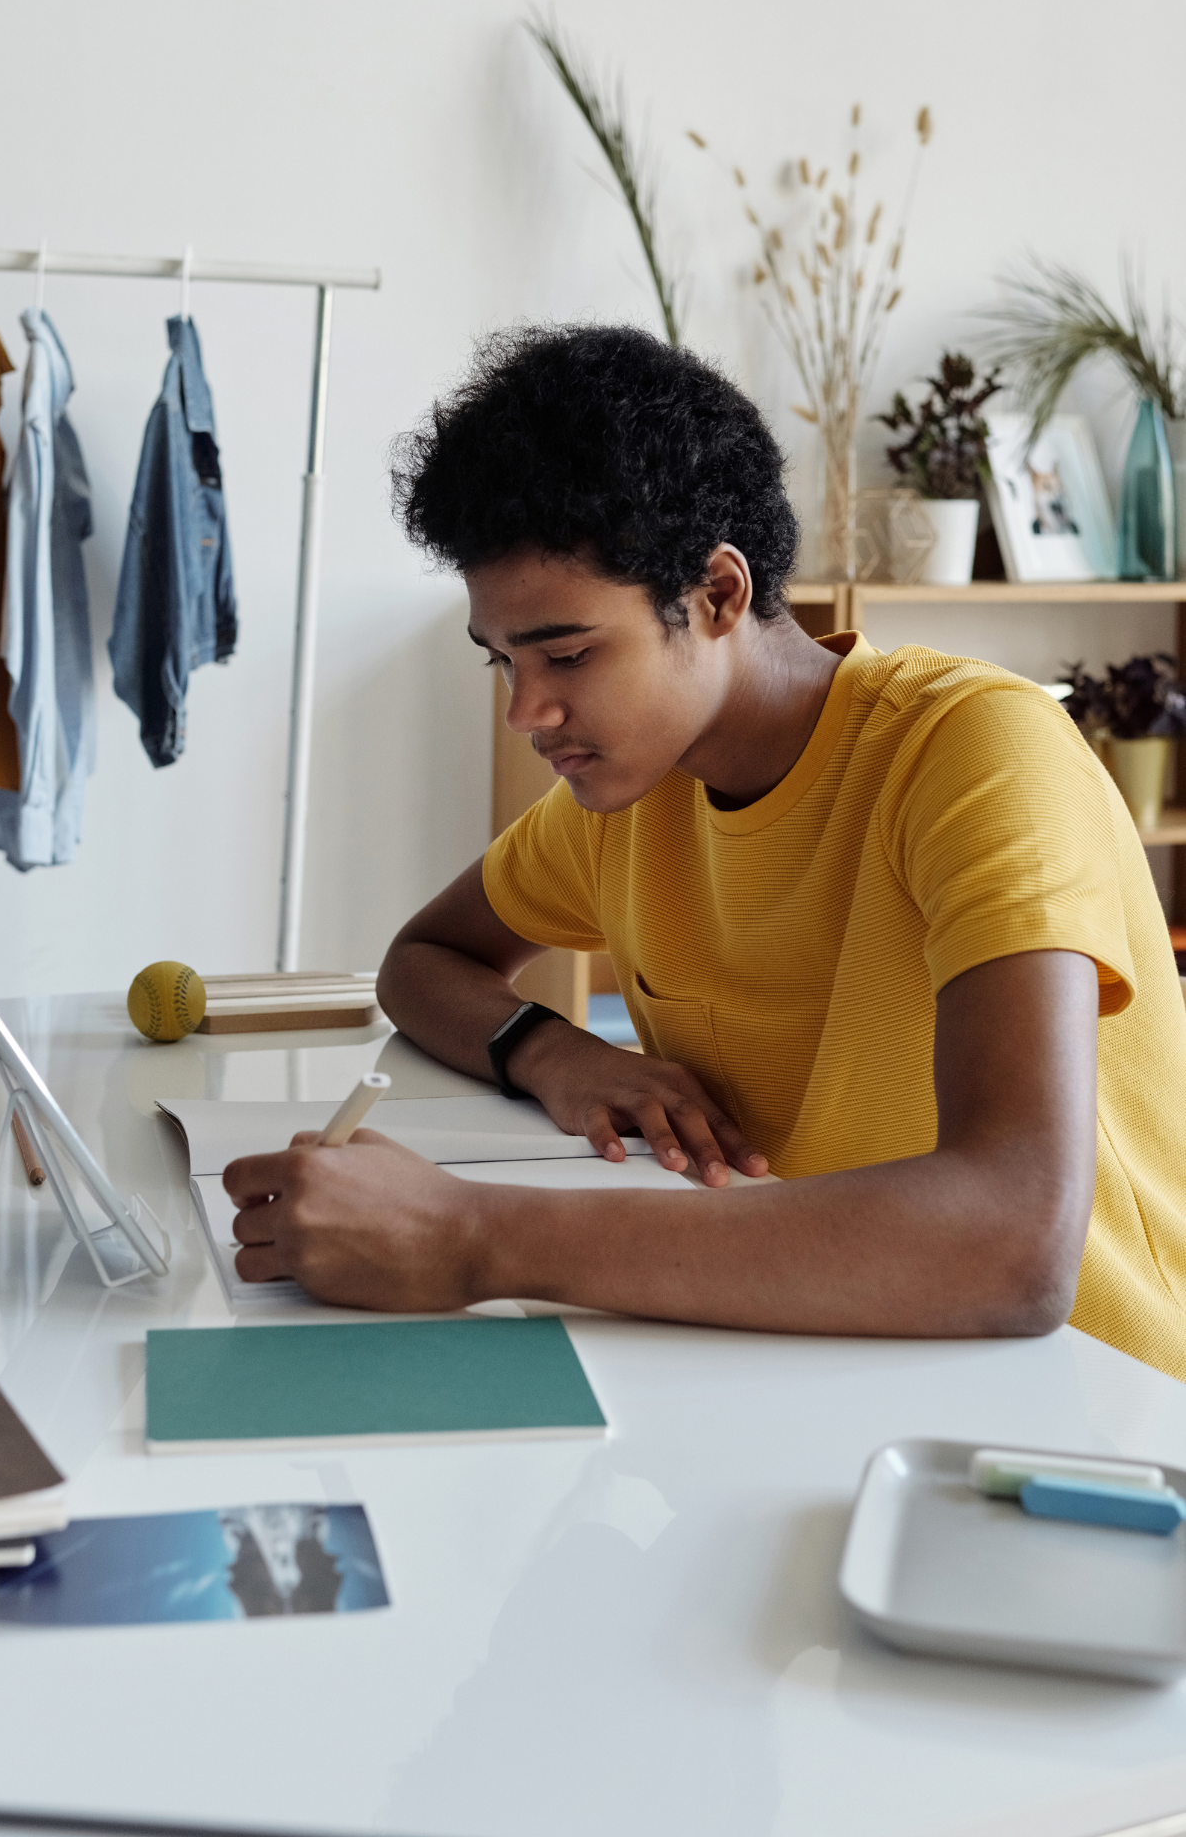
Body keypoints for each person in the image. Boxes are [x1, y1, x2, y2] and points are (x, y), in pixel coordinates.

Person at [224, 324, 1186, 1380]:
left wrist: (472, 1236)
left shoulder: (972, 751)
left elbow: (1012, 1242)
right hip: (823, 1352)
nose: (526, 711)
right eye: (502, 660)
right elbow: (422, 961)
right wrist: (559, 1056)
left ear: (719, 594)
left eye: (568, 652)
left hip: (1093, 1406)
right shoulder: (627, 796)